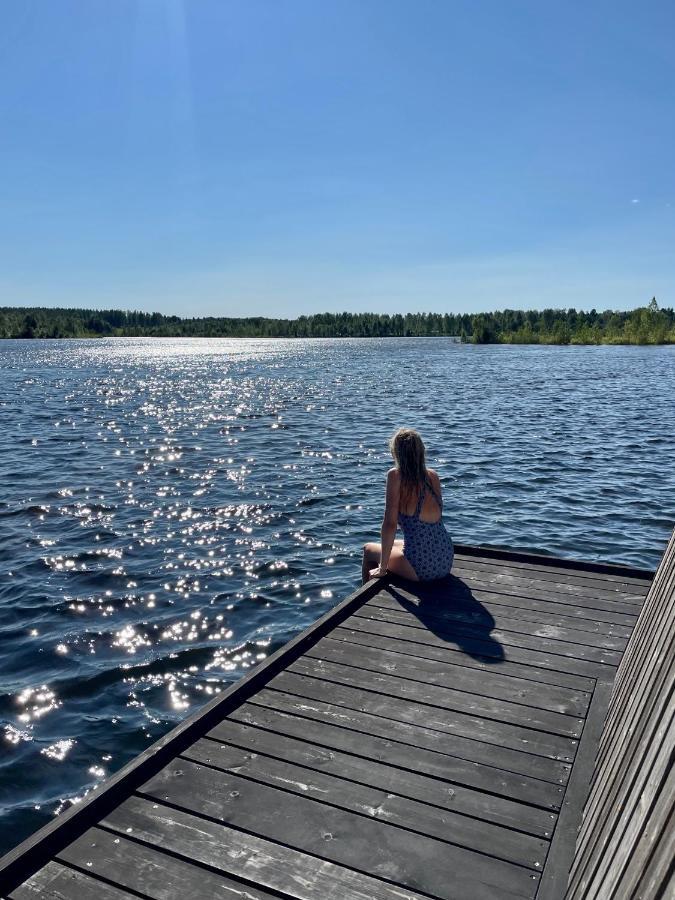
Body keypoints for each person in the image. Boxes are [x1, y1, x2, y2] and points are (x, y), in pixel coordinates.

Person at [362, 428, 454, 583]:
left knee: (368, 549)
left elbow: (390, 525)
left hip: (421, 567)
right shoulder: (433, 476)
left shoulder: (395, 476)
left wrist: (382, 568)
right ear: (421, 451)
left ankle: (361, 600)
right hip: (445, 557)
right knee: (395, 544)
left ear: (397, 453)